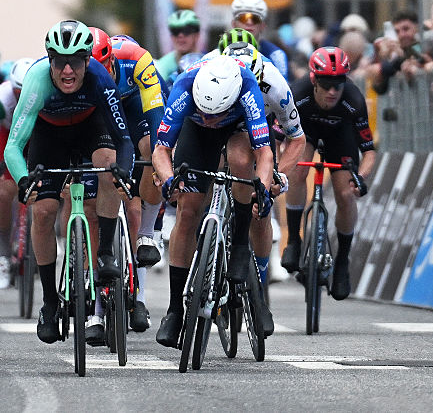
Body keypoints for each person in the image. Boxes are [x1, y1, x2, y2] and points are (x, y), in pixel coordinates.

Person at [3, 20, 134, 347]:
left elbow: (124, 139)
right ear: (49, 60)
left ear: (87, 61)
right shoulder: (36, 82)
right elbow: (13, 147)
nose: (66, 71)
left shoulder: (100, 80)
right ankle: (49, 302)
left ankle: (104, 252)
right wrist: (23, 181)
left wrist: (123, 171)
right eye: (58, 61)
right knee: (44, 211)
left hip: (91, 126)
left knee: (109, 164)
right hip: (50, 136)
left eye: (74, 61)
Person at [149, 55, 275, 347]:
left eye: (213, 114)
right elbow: (161, 149)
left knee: (241, 161)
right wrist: (168, 180)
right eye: (204, 111)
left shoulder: (246, 86)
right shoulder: (185, 86)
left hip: (237, 129)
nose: (209, 118)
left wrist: (264, 188)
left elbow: (265, 153)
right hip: (197, 136)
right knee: (188, 210)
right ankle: (174, 311)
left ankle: (240, 245)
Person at [282, 47, 377, 301]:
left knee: (346, 194)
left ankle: (342, 262)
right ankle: (294, 239)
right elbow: (282, 137)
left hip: (340, 137)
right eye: (326, 84)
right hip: (306, 133)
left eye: (339, 84)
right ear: (314, 80)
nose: (333, 91)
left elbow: (369, 151)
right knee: (297, 169)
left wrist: (361, 177)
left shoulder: (353, 100)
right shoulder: (297, 93)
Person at [88, 27, 168, 332]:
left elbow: (158, 119)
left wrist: (159, 159)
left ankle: (148, 233)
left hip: (136, 108)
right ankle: (96, 307)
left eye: (104, 66)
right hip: (100, 114)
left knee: (153, 148)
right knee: (96, 205)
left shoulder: (135, 60)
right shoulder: (81, 73)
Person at [217, 33, 306, 291]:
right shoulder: (211, 70)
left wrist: (278, 174)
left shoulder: (275, 83)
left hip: (259, 126)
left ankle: (261, 280)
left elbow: (297, 139)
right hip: (221, 121)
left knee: (261, 204)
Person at [0, 57, 36, 290]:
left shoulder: (45, 90)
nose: (21, 97)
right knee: (6, 191)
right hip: (9, 138)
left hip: (37, 139)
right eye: (18, 92)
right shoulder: (1, 98)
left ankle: (34, 246)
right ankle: (4, 254)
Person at [230, 0, 289, 79]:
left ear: (263, 26)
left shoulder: (276, 55)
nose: (249, 22)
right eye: (243, 18)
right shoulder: (220, 51)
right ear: (233, 24)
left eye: (255, 19)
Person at [368, 10, 424, 94]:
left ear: (416, 28)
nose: (401, 34)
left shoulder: (421, 46)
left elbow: (421, 60)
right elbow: (379, 88)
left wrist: (400, 57)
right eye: (397, 31)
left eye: (406, 29)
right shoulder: (395, 51)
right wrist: (384, 57)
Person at [153, 10, 201, 85]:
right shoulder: (162, 66)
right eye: (175, 31)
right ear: (171, 36)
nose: (180, 35)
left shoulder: (207, 62)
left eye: (186, 31)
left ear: (197, 35)